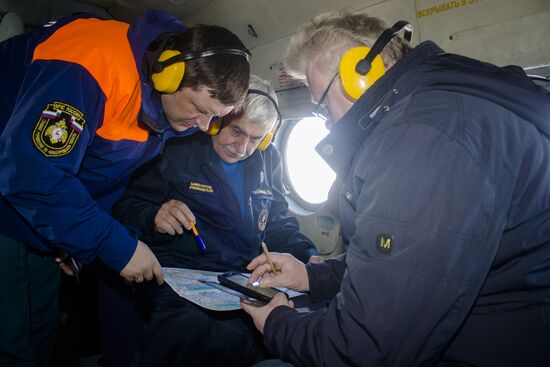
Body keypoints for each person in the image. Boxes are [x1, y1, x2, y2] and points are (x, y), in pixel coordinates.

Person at [240, 10, 550, 367]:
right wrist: (312, 276)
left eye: (322, 107)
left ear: (359, 74)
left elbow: (366, 350)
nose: (326, 122)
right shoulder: (437, 112)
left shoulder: (423, 138)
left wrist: (279, 323)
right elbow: (401, 264)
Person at [0, 9, 250, 367]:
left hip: (41, 209)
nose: (203, 125)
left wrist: (73, 244)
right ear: (167, 74)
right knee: (9, 333)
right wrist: (112, 244)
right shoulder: (90, 62)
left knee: (41, 322)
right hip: (10, 186)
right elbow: (30, 171)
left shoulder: (166, 111)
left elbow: (101, 178)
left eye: (215, 117)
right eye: (199, 109)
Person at [112, 75, 319, 367]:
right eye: (237, 131)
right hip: (177, 272)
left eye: (256, 138)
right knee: (187, 328)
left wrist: (310, 259)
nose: (242, 147)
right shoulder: (175, 148)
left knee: (295, 318)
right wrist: (154, 215)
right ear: (218, 119)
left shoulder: (268, 159)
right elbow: (126, 205)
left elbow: (278, 225)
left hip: (241, 276)